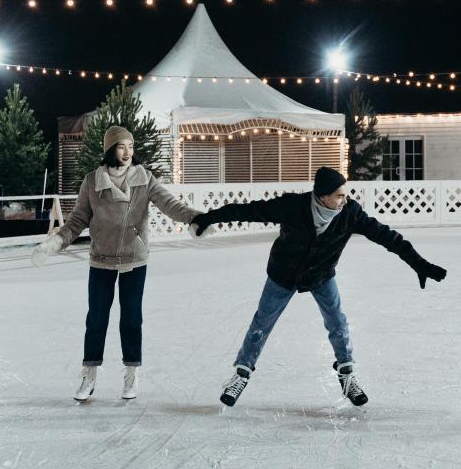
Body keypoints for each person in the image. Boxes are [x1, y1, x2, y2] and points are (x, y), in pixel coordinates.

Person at [188, 166, 447, 407]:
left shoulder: (350, 213)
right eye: (338, 195)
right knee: (262, 321)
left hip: (321, 275)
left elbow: (388, 237)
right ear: (322, 196)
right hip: (283, 274)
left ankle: (347, 375)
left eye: (346, 194)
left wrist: (419, 264)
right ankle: (241, 374)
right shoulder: (292, 206)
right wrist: (207, 219)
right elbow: (247, 210)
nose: (344, 200)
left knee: (337, 321)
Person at [30, 126, 201, 402]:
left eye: (131, 147)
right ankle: (89, 373)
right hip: (102, 259)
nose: (128, 152)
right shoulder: (92, 181)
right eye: (122, 146)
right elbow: (77, 220)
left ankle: (131, 372)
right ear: (110, 149)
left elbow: (171, 205)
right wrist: (55, 242)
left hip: (134, 258)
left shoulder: (144, 179)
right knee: (96, 319)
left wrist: (195, 218)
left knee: (131, 319)